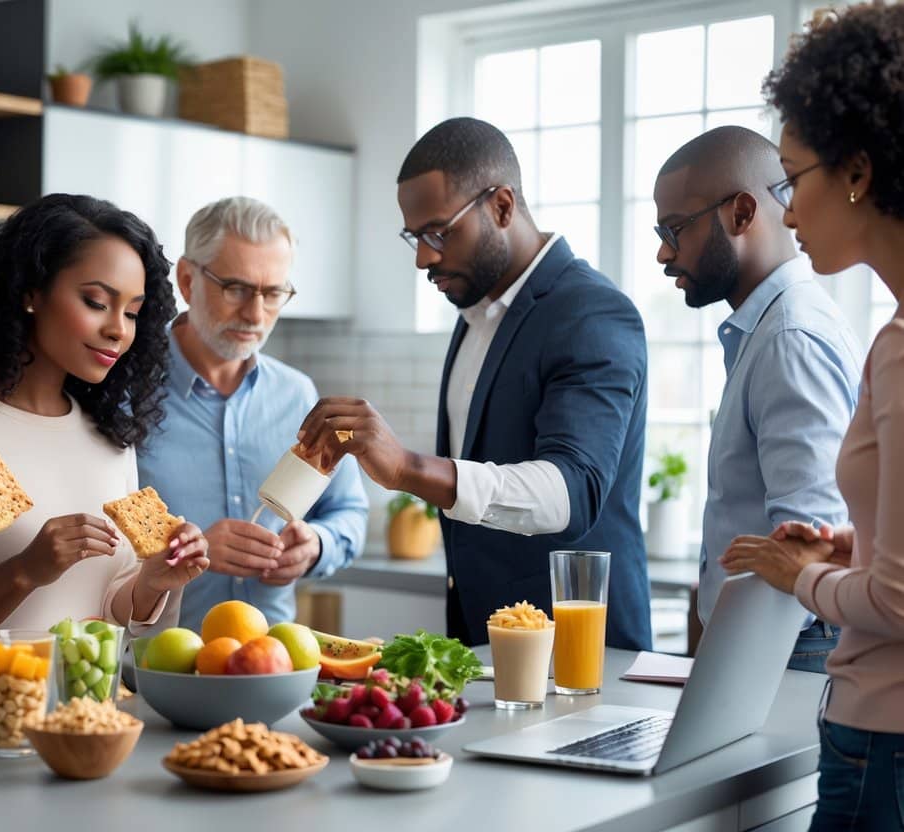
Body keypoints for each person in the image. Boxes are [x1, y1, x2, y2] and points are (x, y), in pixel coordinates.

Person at [300, 117, 652, 649]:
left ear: (502, 207)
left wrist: (408, 467)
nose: (424, 257)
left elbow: (570, 493)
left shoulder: (591, 312)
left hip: (581, 659)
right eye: (414, 237)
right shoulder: (476, 315)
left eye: (439, 232)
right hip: (485, 649)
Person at [0, 194, 210, 680]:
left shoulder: (109, 440)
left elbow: (113, 617)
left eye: (133, 312)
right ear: (31, 292)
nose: (117, 329)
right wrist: (23, 571)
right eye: (96, 302)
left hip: (88, 724)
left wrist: (154, 583)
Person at [718, 4, 904, 827]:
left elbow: (898, 604)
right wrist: (851, 549)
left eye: (793, 178)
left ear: (857, 170)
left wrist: (801, 576)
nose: (786, 211)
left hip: (884, 740)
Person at [653, 126, 862, 671]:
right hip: (769, 645)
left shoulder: (789, 338)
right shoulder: (768, 329)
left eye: (674, 229)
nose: (662, 252)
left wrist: (726, 663)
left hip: (787, 650)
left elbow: (803, 545)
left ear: (742, 213)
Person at [136, 197, 368, 630]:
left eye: (274, 292)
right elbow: (97, 530)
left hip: (274, 665)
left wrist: (316, 545)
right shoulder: (125, 392)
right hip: (153, 668)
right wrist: (192, 547)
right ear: (187, 280)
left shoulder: (297, 395)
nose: (255, 314)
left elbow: (349, 512)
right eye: (237, 289)